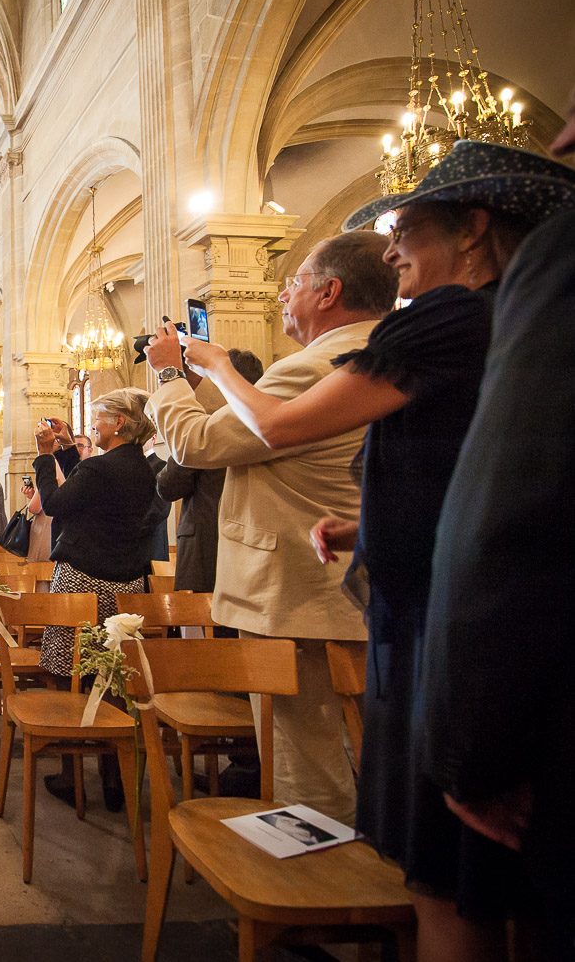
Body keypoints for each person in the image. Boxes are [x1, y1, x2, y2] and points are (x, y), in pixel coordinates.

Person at [181, 140, 575, 961]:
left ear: (472, 230)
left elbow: (273, 428)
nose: (392, 249)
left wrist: (213, 362)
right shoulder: (514, 318)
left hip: (445, 630)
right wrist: (377, 521)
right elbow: (489, 463)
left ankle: (325, 930)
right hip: (464, 609)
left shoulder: (447, 317)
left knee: (443, 884)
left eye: (409, 229)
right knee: (509, 892)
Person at [144, 229, 395, 826]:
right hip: (348, 585)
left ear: (330, 292)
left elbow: (198, 443)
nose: (284, 292)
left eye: (297, 281)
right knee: (352, 749)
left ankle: (314, 902)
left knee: (304, 762)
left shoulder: (314, 366)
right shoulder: (383, 355)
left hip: (295, 595)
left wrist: (170, 376)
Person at [423, 117, 575, 959]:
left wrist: (467, 747)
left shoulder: (556, 266)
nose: (561, 134)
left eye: (408, 228)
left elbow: (505, 513)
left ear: (475, 227)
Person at [33, 389, 157, 809]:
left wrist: (44, 456)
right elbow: (86, 488)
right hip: (127, 587)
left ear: (119, 422)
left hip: (84, 582)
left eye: (100, 417)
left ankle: (72, 778)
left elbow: (55, 503)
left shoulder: (102, 469)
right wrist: (68, 450)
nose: (94, 425)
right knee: (115, 681)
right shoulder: (141, 467)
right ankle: (115, 780)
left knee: (70, 674)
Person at [155, 349, 265, 596]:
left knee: (202, 629)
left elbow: (168, 486)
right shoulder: (264, 422)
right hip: (252, 544)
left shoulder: (211, 426)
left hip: (206, 544)